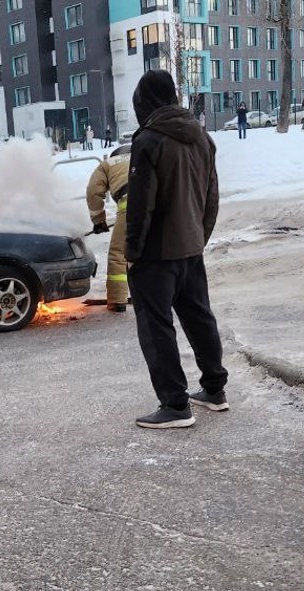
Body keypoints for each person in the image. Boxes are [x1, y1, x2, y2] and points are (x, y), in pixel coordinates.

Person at [125, 69, 228, 430]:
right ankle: (215, 389)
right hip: (191, 249)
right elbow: (211, 197)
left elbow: (141, 206)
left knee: (157, 328)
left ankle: (174, 405)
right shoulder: (202, 137)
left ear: (145, 102)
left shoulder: (149, 140)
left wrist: (133, 252)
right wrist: (198, 237)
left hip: (156, 256)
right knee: (200, 318)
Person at [85, 144, 132, 313]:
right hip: (161, 207)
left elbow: (93, 191)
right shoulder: (145, 154)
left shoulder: (108, 164)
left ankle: (117, 301)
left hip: (131, 206)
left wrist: (99, 221)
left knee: (119, 254)